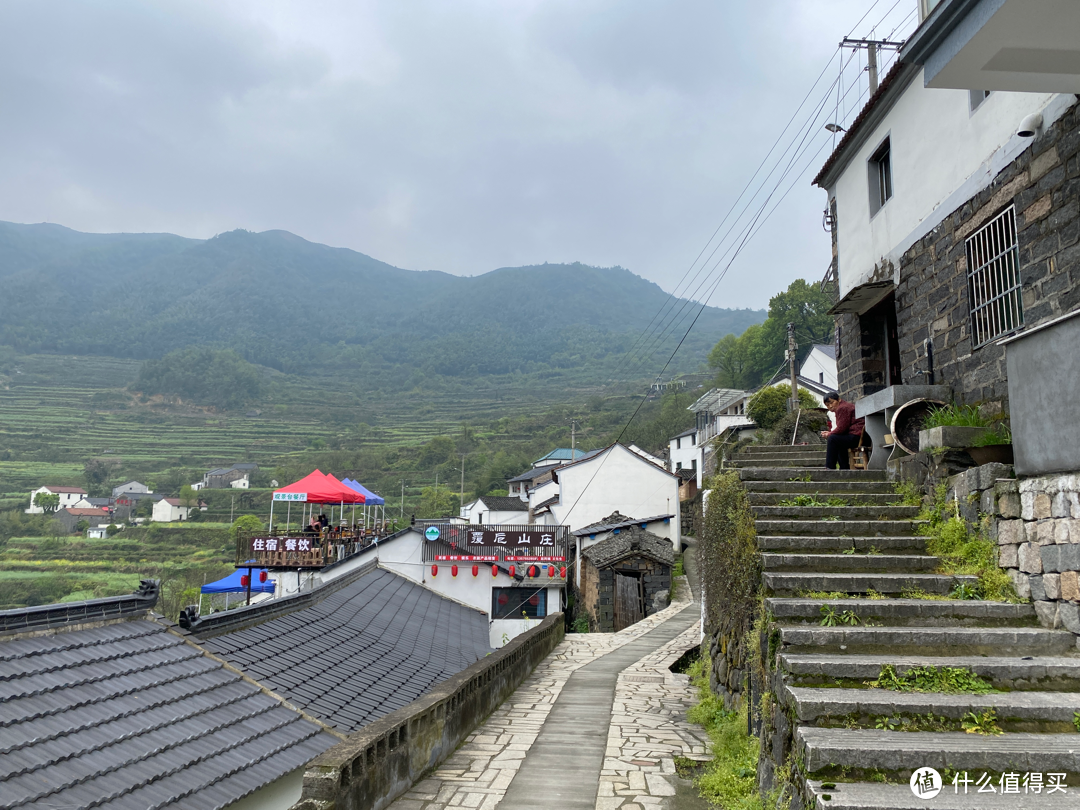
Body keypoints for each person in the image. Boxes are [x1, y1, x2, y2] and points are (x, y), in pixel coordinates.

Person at [820, 392, 866, 470]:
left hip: (857, 436)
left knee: (832, 439)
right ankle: (844, 467)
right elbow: (842, 429)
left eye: (832, 402)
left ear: (838, 399)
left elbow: (842, 428)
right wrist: (831, 433)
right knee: (837, 439)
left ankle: (829, 467)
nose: (830, 406)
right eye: (827, 405)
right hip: (859, 435)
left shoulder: (843, 408)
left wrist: (829, 434)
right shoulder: (845, 406)